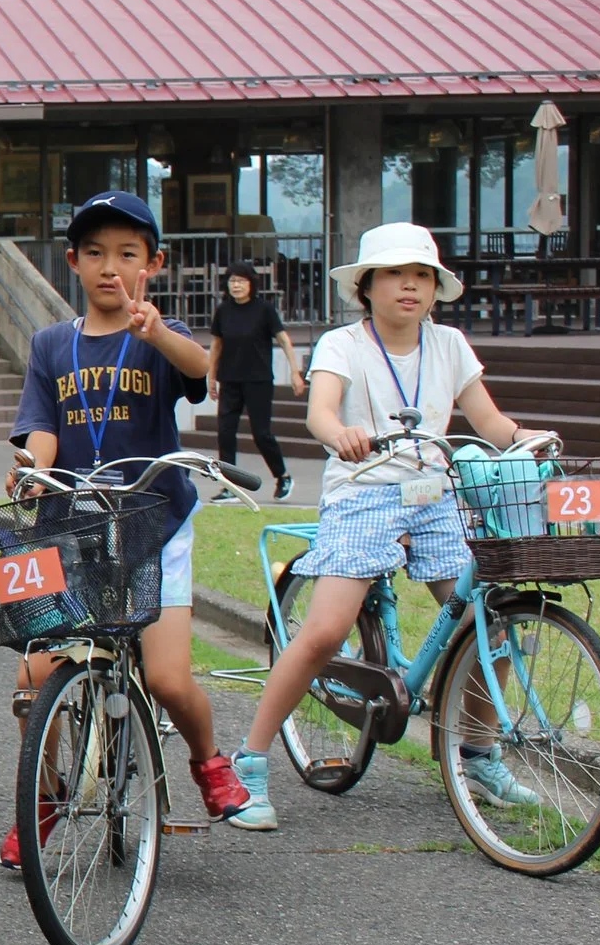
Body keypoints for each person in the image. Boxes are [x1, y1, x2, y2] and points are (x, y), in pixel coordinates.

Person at [231, 222, 539, 830]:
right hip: (363, 491)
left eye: (423, 276)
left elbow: (490, 420)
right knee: (322, 632)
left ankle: (477, 750)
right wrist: (338, 433)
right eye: (397, 274)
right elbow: (321, 410)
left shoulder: (449, 344)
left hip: (434, 494)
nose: (411, 286)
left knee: (492, 622)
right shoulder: (343, 344)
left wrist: (525, 439)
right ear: (366, 286)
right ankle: (250, 762)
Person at [2, 192, 250, 866]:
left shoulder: (155, 338)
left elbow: (203, 371)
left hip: (155, 524)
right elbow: (43, 428)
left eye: (129, 255)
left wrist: (157, 331)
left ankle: (208, 762)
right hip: (76, 531)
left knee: (169, 680)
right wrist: (31, 468)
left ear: (154, 264)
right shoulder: (52, 344)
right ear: (75, 261)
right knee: (34, 673)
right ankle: (44, 796)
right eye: (97, 254)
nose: (111, 267)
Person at [209, 261, 307, 501]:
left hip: (258, 380)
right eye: (232, 281)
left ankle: (282, 476)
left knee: (261, 433)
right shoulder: (223, 310)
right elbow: (216, 345)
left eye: (241, 281)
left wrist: (295, 372)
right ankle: (229, 485)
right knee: (225, 432)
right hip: (230, 379)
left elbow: (283, 340)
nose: (236, 286)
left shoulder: (264, 310)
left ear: (251, 284)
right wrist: (211, 376)